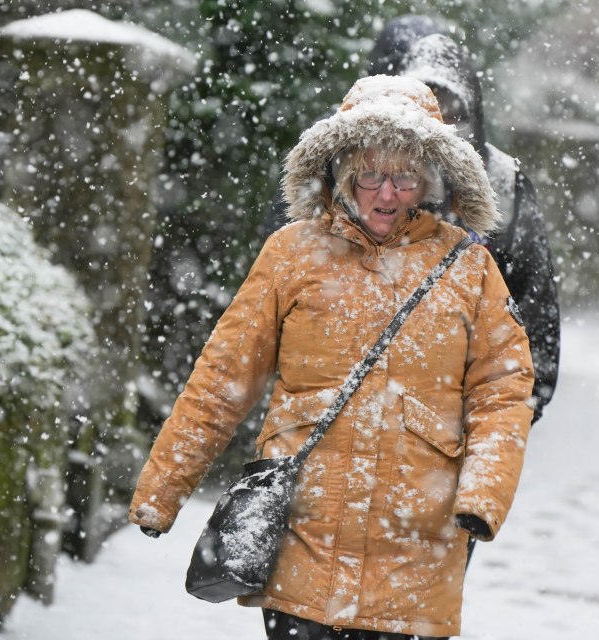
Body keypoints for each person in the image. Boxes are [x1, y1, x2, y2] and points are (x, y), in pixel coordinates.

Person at [129, 75, 535, 640]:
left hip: (418, 555)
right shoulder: (291, 255)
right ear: (342, 173)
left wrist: (482, 496)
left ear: (431, 180)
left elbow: (504, 390)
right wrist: (161, 491)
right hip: (303, 544)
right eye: (370, 174)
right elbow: (223, 378)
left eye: (405, 177)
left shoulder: (469, 269)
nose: (387, 194)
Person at [266, 18, 560, 421]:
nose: (440, 129)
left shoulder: (504, 185)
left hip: (453, 422)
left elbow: (534, 315)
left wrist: (499, 419)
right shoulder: (334, 171)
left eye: (452, 111)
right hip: (339, 418)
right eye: (428, 109)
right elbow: (280, 294)